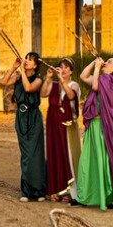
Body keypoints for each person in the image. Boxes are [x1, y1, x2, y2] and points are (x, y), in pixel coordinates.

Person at [76, 56, 113, 210]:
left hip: (106, 127)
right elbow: (83, 76)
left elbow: (95, 86)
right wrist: (93, 63)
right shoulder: (102, 79)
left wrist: (96, 69)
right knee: (89, 160)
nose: (106, 63)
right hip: (94, 126)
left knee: (108, 160)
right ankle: (86, 195)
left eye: (109, 62)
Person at [0, 52, 46, 202]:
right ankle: (26, 191)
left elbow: (29, 88)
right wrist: (14, 68)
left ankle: (39, 191)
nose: (27, 61)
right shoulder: (18, 77)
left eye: (30, 60)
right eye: (26, 58)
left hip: (34, 116)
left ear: (36, 65)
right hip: (21, 117)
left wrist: (23, 73)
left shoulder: (38, 79)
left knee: (35, 154)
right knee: (25, 154)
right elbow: (2, 83)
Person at [41, 58, 81, 203]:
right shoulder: (54, 84)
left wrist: (61, 81)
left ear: (71, 71)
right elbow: (43, 94)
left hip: (67, 125)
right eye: (61, 67)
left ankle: (70, 192)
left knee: (68, 155)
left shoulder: (73, 85)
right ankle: (56, 189)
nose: (63, 70)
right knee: (54, 153)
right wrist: (48, 78)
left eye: (66, 67)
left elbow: (71, 95)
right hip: (53, 122)